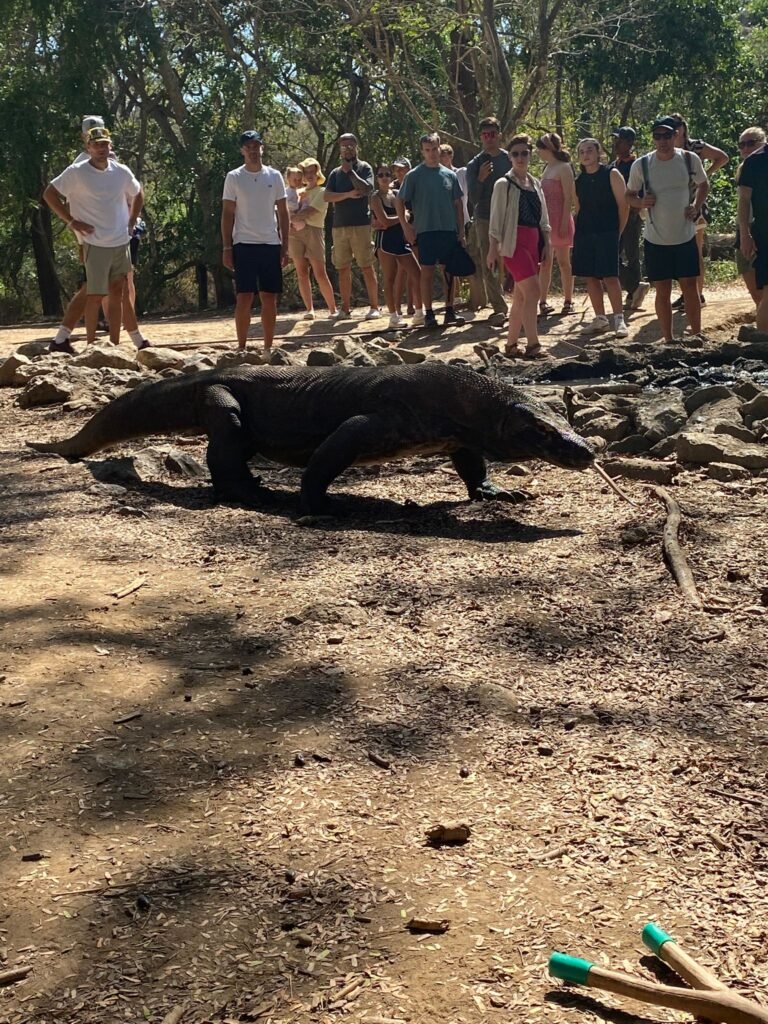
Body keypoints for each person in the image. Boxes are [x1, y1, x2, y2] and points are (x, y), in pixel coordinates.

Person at [43, 126, 147, 351]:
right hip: (93, 240)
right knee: (94, 292)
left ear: (111, 145)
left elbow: (137, 192)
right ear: (87, 146)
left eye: (105, 144)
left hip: (120, 239)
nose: (101, 148)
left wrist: (131, 222)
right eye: (96, 144)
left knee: (120, 290)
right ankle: (87, 345)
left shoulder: (120, 170)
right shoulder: (76, 171)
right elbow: (50, 194)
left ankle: (121, 342)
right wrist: (72, 223)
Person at [626, 115, 709, 343]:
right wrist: (641, 202)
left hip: (685, 235)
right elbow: (629, 195)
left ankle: (697, 335)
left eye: (667, 135)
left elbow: (704, 184)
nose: (662, 140)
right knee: (662, 290)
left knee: (690, 288)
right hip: (656, 238)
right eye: (657, 136)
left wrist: (695, 206)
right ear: (653, 138)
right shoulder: (641, 165)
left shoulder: (689, 160)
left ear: (676, 135)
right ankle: (668, 339)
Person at [221, 129, 289, 351]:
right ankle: (241, 347)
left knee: (269, 297)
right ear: (242, 150)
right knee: (245, 296)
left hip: (270, 243)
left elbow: (283, 212)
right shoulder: (234, 177)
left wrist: (284, 245)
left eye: (256, 146)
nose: (253, 150)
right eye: (248, 146)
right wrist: (227, 247)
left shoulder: (274, 176)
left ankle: (268, 348)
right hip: (244, 243)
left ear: (262, 147)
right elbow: (228, 213)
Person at [487, 134, 551, 358]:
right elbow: (496, 219)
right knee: (533, 291)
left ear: (530, 154)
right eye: (515, 154)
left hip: (533, 242)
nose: (520, 157)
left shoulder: (535, 183)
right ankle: (533, 345)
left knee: (521, 297)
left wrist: (547, 243)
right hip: (513, 245)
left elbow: (543, 219)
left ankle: (511, 345)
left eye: (524, 153)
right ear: (510, 157)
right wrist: (492, 248)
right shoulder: (503, 184)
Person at [395, 131, 467, 330]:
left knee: (448, 271)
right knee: (426, 272)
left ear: (439, 148)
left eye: (435, 149)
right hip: (425, 231)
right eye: (428, 150)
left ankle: (450, 309)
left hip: (448, 229)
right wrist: (406, 226)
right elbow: (400, 200)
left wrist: (461, 232)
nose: (432, 153)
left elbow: (458, 205)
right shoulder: (414, 175)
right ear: (422, 152)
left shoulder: (450, 175)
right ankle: (428, 313)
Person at [670, 113, 729, 308]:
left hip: (696, 204)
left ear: (684, 128)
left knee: (694, 249)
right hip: (674, 207)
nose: (675, 130)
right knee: (678, 251)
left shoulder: (696, 146)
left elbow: (722, 157)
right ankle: (686, 293)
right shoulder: (666, 149)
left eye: (677, 126)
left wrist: (705, 176)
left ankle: (699, 294)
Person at [572, 138, 629, 339]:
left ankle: (619, 319)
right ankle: (600, 319)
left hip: (608, 232)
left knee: (610, 277)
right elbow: (578, 209)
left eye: (589, 150)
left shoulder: (611, 174)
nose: (586, 154)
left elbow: (624, 205)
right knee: (590, 276)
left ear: (598, 153)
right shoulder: (578, 181)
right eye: (582, 151)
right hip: (585, 233)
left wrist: (618, 232)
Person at [323, 132, 380, 320]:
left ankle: (374, 307)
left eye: (350, 145)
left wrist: (351, 172)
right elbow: (327, 196)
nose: (347, 149)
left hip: (361, 225)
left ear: (356, 147)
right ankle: (345, 309)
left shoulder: (365, 168)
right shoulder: (334, 173)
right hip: (339, 226)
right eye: (344, 146)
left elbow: (366, 189)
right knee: (342, 267)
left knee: (366, 265)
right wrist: (347, 195)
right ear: (339, 149)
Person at [466, 116, 511, 324]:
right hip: (484, 217)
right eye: (485, 135)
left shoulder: (510, 158)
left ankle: (523, 301)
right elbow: (473, 198)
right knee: (489, 263)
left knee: (514, 259)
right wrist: (481, 179)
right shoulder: (474, 164)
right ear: (481, 137)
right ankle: (499, 307)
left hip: (510, 216)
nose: (489, 138)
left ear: (499, 135)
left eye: (493, 134)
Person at [371, 164, 423, 328]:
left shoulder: (397, 194)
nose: (385, 177)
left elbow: (406, 215)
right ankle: (393, 317)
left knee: (417, 273)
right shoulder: (375, 197)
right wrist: (401, 217)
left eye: (387, 174)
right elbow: (385, 221)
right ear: (376, 178)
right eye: (381, 175)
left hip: (401, 240)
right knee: (389, 278)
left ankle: (419, 312)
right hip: (385, 242)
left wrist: (401, 218)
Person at [287, 157, 337, 321]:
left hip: (314, 231)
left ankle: (332, 309)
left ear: (318, 174)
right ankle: (310, 309)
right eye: (305, 172)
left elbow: (310, 211)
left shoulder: (322, 192)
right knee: (301, 271)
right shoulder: (297, 192)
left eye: (312, 172)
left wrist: (289, 218)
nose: (309, 176)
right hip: (294, 233)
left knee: (319, 272)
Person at [535, 132, 576, 316]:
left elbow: (569, 196)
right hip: (546, 222)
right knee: (545, 262)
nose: (538, 152)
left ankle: (568, 300)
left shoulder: (564, 168)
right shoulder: (547, 168)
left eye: (540, 148)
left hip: (560, 219)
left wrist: (564, 223)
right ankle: (542, 301)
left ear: (548, 149)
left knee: (564, 262)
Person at [609, 126, 649, 311]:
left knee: (632, 254)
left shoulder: (637, 165)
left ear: (629, 143)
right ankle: (635, 286)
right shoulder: (614, 165)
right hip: (615, 215)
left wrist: (634, 207)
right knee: (614, 255)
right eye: (615, 140)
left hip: (631, 215)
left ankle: (633, 292)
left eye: (620, 140)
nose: (616, 143)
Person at [738, 129, 768, 333]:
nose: (745, 148)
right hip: (764, 232)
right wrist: (745, 235)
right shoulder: (754, 162)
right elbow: (744, 201)